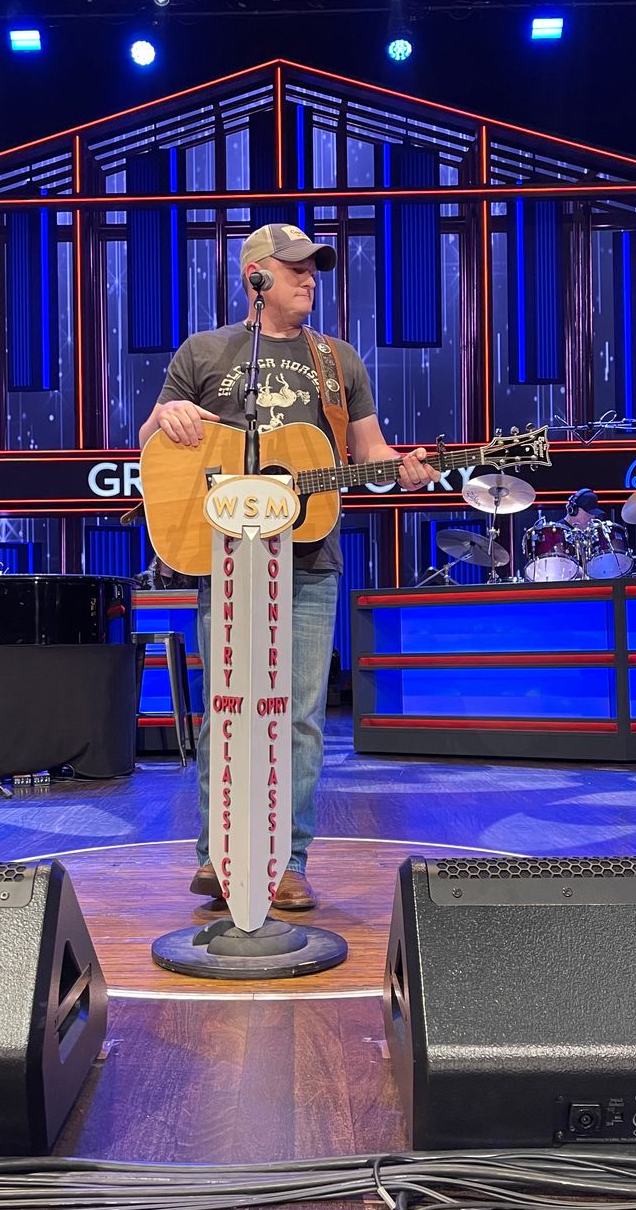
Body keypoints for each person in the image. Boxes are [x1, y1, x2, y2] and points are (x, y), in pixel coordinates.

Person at [138, 221, 437, 911]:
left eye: (313, 268)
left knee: (298, 718)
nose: (309, 279)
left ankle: (286, 863)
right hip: (224, 560)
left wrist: (405, 467)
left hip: (308, 559)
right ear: (256, 276)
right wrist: (170, 415)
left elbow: (371, 453)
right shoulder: (204, 352)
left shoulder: (337, 360)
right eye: (296, 267)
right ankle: (218, 857)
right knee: (225, 713)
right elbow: (151, 439)